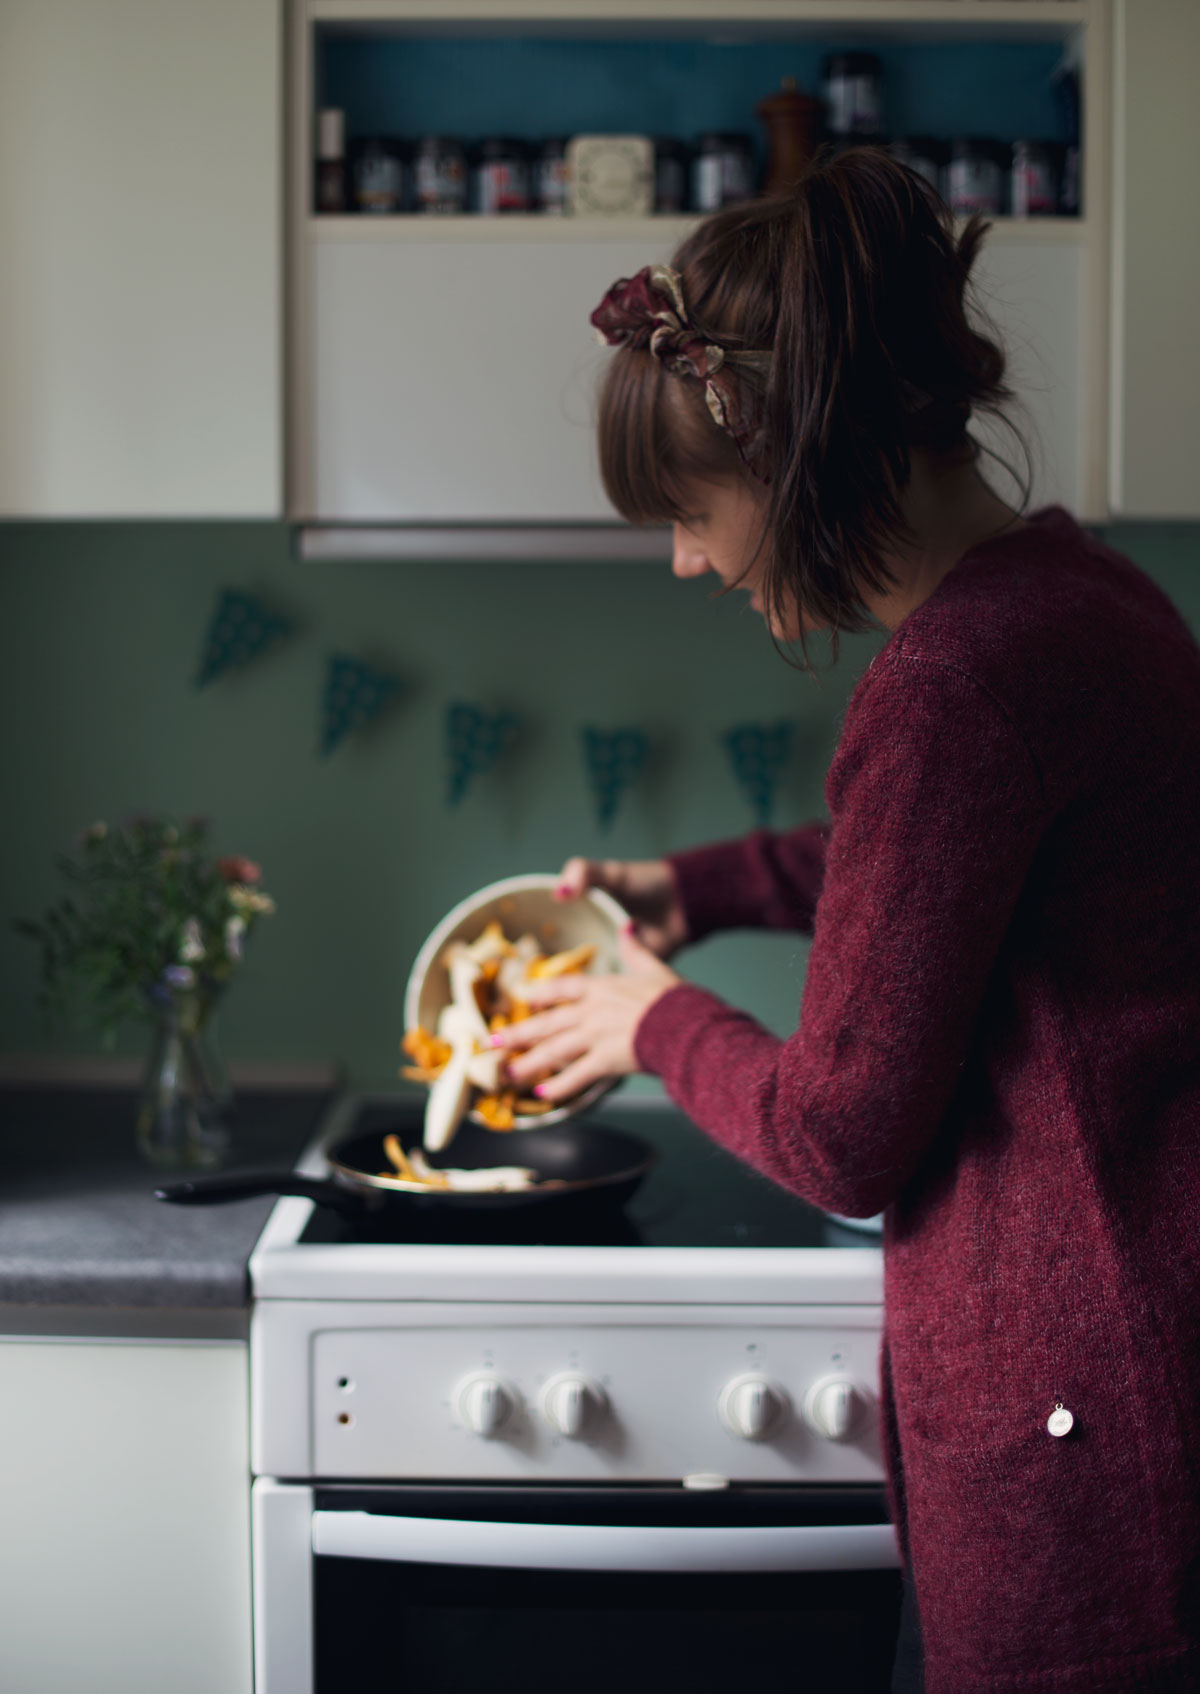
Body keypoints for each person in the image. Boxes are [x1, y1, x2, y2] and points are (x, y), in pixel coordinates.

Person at [489, 147, 1200, 1692]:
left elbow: (839, 1133)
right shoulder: (1082, 598)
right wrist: (707, 888)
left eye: (691, 511)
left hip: (1088, 1457)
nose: (690, 558)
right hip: (1137, 1389)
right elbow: (941, 865)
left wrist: (646, 1018)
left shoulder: (950, 682)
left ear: (797, 458)